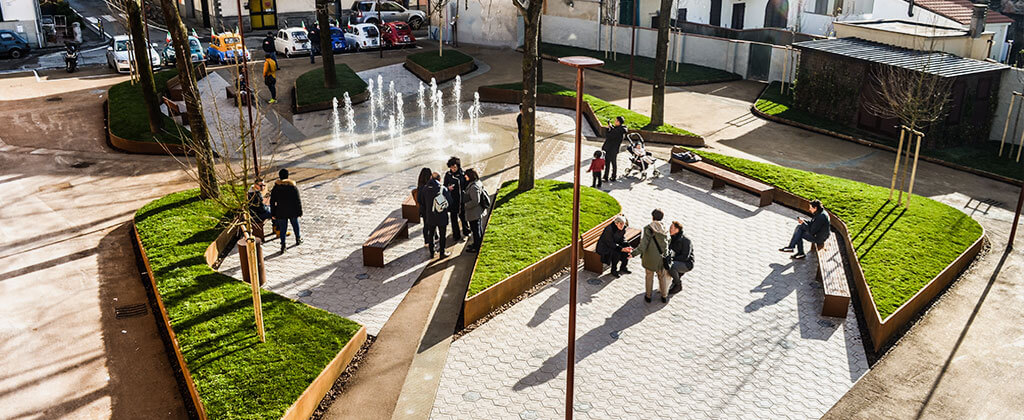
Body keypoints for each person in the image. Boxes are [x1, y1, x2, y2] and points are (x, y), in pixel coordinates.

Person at [632, 208, 671, 303]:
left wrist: (633, 253)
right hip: (661, 259)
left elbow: (643, 245)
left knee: (649, 277)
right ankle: (664, 296)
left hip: (650, 258)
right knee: (661, 277)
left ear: (652, 217)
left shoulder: (648, 228)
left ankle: (648, 296)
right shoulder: (665, 229)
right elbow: (668, 242)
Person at [419, 171, 452, 259]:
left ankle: (432, 252)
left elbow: (422, 201)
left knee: (431, 235)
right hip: (441, 216)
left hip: (430, 216)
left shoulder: (425, 189)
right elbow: (449, 201)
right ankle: (442, 252)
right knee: (442, 235)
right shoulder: (442, 189)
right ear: (439, 179)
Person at [270, 168, 303, 253]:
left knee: (283, 229)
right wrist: (299, 211)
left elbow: (272, 201)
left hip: (281, 211)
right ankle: (298, 239)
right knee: (295, 225)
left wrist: (273, 213)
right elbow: (297, 200)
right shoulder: (292, 186)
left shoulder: (276, 187)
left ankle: (283, 245)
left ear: (279, 176)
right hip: (292, 211)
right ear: (288, 176)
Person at [443, 157, 470, 241]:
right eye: (451, 167)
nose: (453, 169)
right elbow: (444, 186)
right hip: (452, 200)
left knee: (463, 217)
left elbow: (467, 185)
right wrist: (448, 188)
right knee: (453, 218)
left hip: (461, 199)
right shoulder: (448, 175)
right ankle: (456, 235)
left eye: (454, 167)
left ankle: (466, 231)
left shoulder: (463, 174)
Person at [462, 168, 487, 253]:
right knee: (477, 229)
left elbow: (475, 201)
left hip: (474, 213)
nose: (465, 176)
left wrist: (466, 205)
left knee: (476, 230)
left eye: (466, 175)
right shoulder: (477, 183)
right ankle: (476, 244)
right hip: (476, 212)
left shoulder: (473, 187)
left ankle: (477, 246)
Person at [666, 221, 694, 295]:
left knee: (671, 266)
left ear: (677, 230)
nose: (669, 229)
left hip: (687, 264)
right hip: (678, 260)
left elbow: (685, 257)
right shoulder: (673, 237)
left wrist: (672, 259)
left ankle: (678, 285)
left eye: (671, 228)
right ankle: (676, 278)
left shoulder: (686, 241)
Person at [602, 116, 626, 182]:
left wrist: (608, 129)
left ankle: (606, 177)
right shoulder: (620, 130)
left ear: (618, 122)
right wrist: (611, 128)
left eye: (616, 121)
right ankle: (613, 176)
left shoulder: (617, 131)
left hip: (611, 148)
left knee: (608, 163)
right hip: (614, 149)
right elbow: (614, 131)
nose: (615, 122)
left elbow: (609, 136)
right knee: (613, 163)